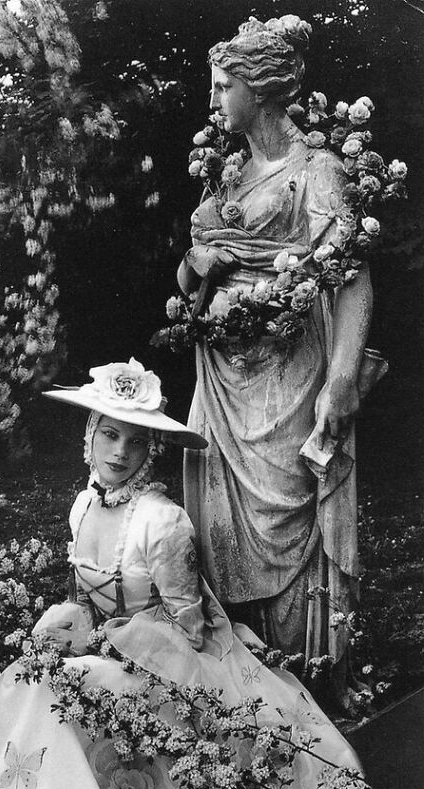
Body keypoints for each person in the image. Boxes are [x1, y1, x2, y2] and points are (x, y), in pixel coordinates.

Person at [0, 358, 396, 789]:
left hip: (168, 666)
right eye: (109, 436)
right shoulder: (83, 506)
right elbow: (82, 597)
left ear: (151, 450)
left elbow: (189, 629)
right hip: (104, 650)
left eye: (134, 442)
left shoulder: (162, 522)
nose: (119, 453)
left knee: (60, 688)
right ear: (91, 436)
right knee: (24, 679)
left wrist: (100, 641)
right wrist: (68, 622)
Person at [177, 15, 372, 681]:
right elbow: (190, 272)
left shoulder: (315, 171)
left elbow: (349, 277)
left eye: (222, 84)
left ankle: (305, 685)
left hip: (288, 377)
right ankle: (238, 691)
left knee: (287, 522)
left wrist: (342, 379)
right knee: (216, 534)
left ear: (258, 90)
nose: (212, 98)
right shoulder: (228, 173)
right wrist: (201, 265)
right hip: (223, 382)